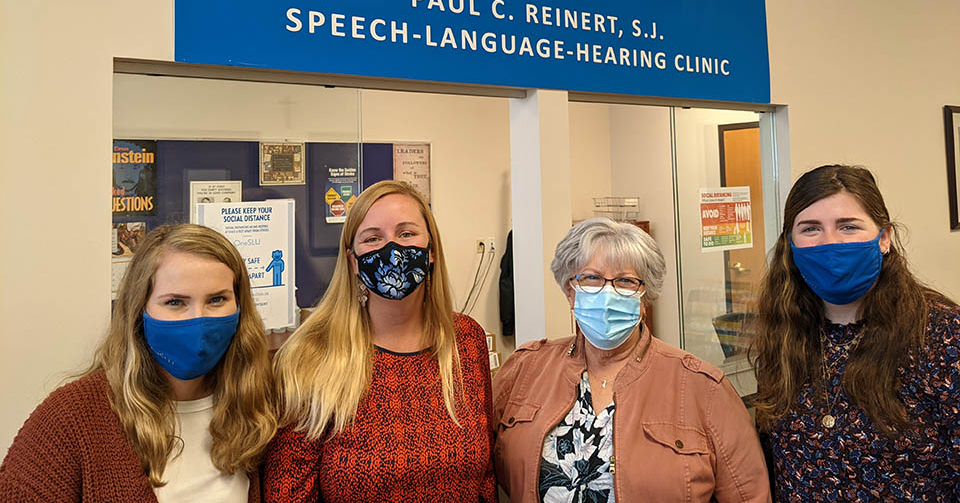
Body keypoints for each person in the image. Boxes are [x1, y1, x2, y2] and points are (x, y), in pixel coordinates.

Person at [494, 217, 771, 502]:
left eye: (625, 281)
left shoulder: (703, 388)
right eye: (592, 277)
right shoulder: (525, 370)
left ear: (645, 297)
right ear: (570, 290)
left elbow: (749, 494)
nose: (608, 292)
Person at [0, 224, 276, 502]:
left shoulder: (263, 406)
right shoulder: (71, 419)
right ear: (139, 310)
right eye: (175, 302)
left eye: (217, 299)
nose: (198, 320)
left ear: (240, 306)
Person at [263, 180, 495, 503]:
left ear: (431, 252)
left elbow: (485, 479)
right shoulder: (311, 355)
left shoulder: (465, 340)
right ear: (354, 261)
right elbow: (286, 494)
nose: (392, 249)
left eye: (406, 234)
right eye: (373, 238)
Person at [751, 164, 960, 501]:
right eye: (810, 229)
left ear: (885, 238)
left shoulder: (943, 335)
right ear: (790, 243)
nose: (830, 243)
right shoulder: (784, 335)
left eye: (848, 226)